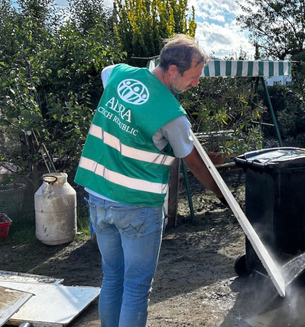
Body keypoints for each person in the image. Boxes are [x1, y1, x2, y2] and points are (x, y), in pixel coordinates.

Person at [75, 34, 225, 327]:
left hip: (99, 198)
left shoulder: (119, 74)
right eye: (193, 77)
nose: (195, 84)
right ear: (172, 71)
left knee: (112, 277)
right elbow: (194, 161)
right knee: (135, 287)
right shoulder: (172, 115)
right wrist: (220, 192)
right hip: (137, 207)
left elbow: (108, 73)